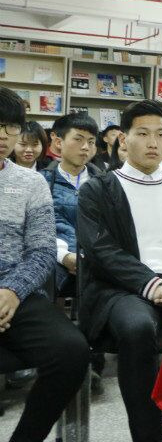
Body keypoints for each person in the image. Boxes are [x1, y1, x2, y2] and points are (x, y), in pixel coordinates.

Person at [77, 99, 162, 442]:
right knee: (137, 327)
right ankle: (148, 436)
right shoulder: (99, 189)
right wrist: (150, 284)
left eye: (161, 134)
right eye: (143, 133)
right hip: (120, 289)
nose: (153, 142)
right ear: (124, 139)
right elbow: (101, 250)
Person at [0, 87, 90, 442]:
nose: (3, 135)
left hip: (17, 294)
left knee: (72, 351)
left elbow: (41, 251)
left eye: (10, 126)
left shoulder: (31, 182)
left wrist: (12, 291)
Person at [39, 112, 101, 294]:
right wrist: (64, 255)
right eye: (78, 139)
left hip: (97, 258)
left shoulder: (105, 183)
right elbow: (39, 229)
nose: (85, 147)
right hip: (55, 255)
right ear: (59, 142)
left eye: (91, 141)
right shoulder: (42, 181)